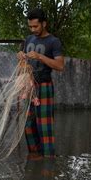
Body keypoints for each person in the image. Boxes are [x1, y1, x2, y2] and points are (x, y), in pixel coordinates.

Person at [18, 8, 64, 158]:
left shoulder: (53, 42)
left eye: (35, 26)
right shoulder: (29, 39)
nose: (33, 29)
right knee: (28, 125)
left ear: (44, 24)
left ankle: (49, 161)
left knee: (44, 126)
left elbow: (60, 66)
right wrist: (21, 58)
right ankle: (35, 158)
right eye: (30, 26)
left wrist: (39, 56)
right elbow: (24, 66)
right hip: (28, 87)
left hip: (44, 86)